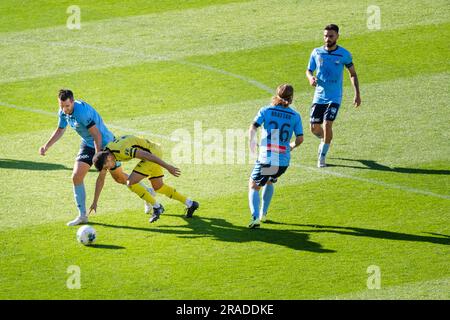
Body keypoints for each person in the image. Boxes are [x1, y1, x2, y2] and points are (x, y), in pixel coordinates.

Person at [39, 89, 154, 226]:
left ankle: (148, 192)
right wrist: (47, 146)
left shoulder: (82, 113)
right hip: (88, 143)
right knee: (76, 176)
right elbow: (60, 130)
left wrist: (98, 157)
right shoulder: (63, 112)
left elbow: (97, 135)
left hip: (106, 144)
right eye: (61, 106)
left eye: (67, 106)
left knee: (119, 178)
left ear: (73, 102)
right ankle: (82, 215)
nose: (64, 109)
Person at [91, 135, 199, 223]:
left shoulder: (122, 150)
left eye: (107, 167)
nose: (108, 169)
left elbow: (146, 155)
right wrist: (95, 202)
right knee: (158, 187)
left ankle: (157, 207)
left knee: (130, 182)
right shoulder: (107, 154)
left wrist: (167, 167)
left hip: (152, 154)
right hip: (154, 151)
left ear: (108, 158)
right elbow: (101, 179)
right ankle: (190, 204)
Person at [248, 84, 303, 228]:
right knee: (269, 180)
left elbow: (253, 127)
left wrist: (252, 142)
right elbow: (300, 139)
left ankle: (255, 218)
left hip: (267, 159)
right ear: (291, 98)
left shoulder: (266, 110)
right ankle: (263, 214)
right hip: (282, 163)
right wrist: (290, 147)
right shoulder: (295, 116)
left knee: (253, 185)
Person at [306, 24, 361, 168]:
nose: (327, 39)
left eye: (331, 36)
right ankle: (326, 139)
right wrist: (310, 78)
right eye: (325, 36)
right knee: (313, 128)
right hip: (319, 96)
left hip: (335, 96)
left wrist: (357, 94)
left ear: (337, 36)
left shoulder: (344, 54)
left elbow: (353, 74)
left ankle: (322, 157)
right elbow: (309, 70)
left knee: (327, 124)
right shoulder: (316, 52)